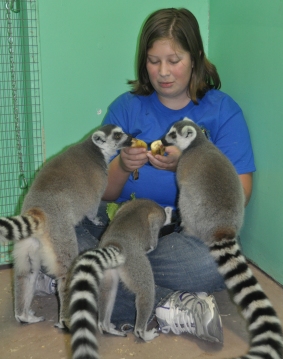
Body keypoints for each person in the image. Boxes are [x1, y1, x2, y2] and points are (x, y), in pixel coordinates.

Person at [38, 8, 256, 344]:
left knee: (213, 262)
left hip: (182, 230)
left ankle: (76, 281)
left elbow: (240, 193)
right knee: (67, 229)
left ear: (196, 57)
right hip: (117, 225)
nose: (163, 72)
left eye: (174, 59)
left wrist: (188, 164)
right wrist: (124, 165)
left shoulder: (222, 111)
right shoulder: (126, 108)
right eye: (154, 61)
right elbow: (104, 195)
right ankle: (171, 306)